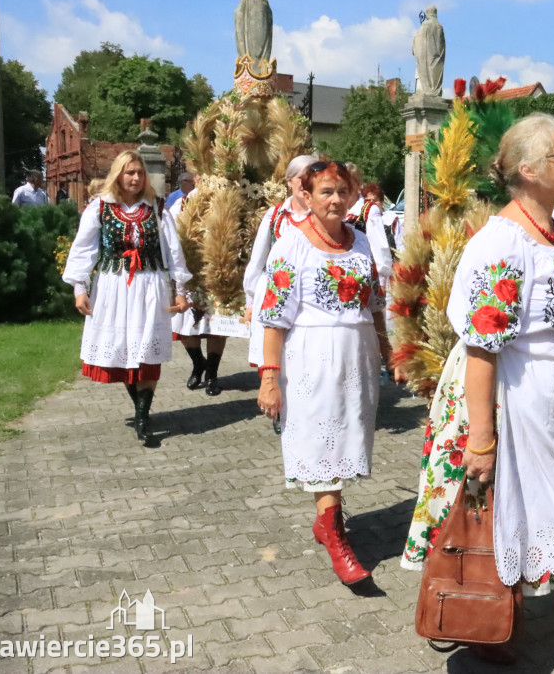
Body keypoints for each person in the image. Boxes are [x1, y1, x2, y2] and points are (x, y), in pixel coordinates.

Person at [401, 114, 554, 671]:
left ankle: (525, 624)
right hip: (503, 396)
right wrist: (482, 440)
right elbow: (482, 347)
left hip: (545, 396)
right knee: (509, 508)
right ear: (529, 169)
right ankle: (549, 627)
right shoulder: (503, 242)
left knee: (542, 508)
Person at [255, 157, 390, 586]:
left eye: (342, 191)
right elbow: (274, 317)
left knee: (346, 439)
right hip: (310, 358)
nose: (335, 199)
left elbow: (375, 304)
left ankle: (325, 519)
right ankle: (336, 540)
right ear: (307, 196)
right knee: (321, 446)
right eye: (325, 192)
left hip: (358, 356)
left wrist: (387, 349)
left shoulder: (363, 243)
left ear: (353, 196)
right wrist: (269, 379)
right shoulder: (291, 244)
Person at [62, 151, 191, 445]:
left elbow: (173, 251)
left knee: (146, 351)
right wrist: (79, 289)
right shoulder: (100, 207)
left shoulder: (157, 208)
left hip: (150, 287)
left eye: (140, 173)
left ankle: (143, 417)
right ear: (118, 175)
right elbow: (83, 250)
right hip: (113, 287)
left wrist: (181, 290)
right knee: (122, 352)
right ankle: (140, 407)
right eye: (129, 172)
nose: (135, 178)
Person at [242, 154, 318, 369]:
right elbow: (257, 261)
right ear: (289, 181)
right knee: (273, 360)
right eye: (300, 177)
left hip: (309, 295)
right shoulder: (275, 215)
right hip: (274, 292)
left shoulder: (322, 217)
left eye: (311, 176)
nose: (305, 183)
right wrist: (250, 302)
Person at [166, 189, 228, 395]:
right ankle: (198, 363)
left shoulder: (225, 199)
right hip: (190, 270)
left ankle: (212, 375)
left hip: (219, 268)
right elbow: (171, 238)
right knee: (185, 326)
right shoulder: (182, 204)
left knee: (217, 326)